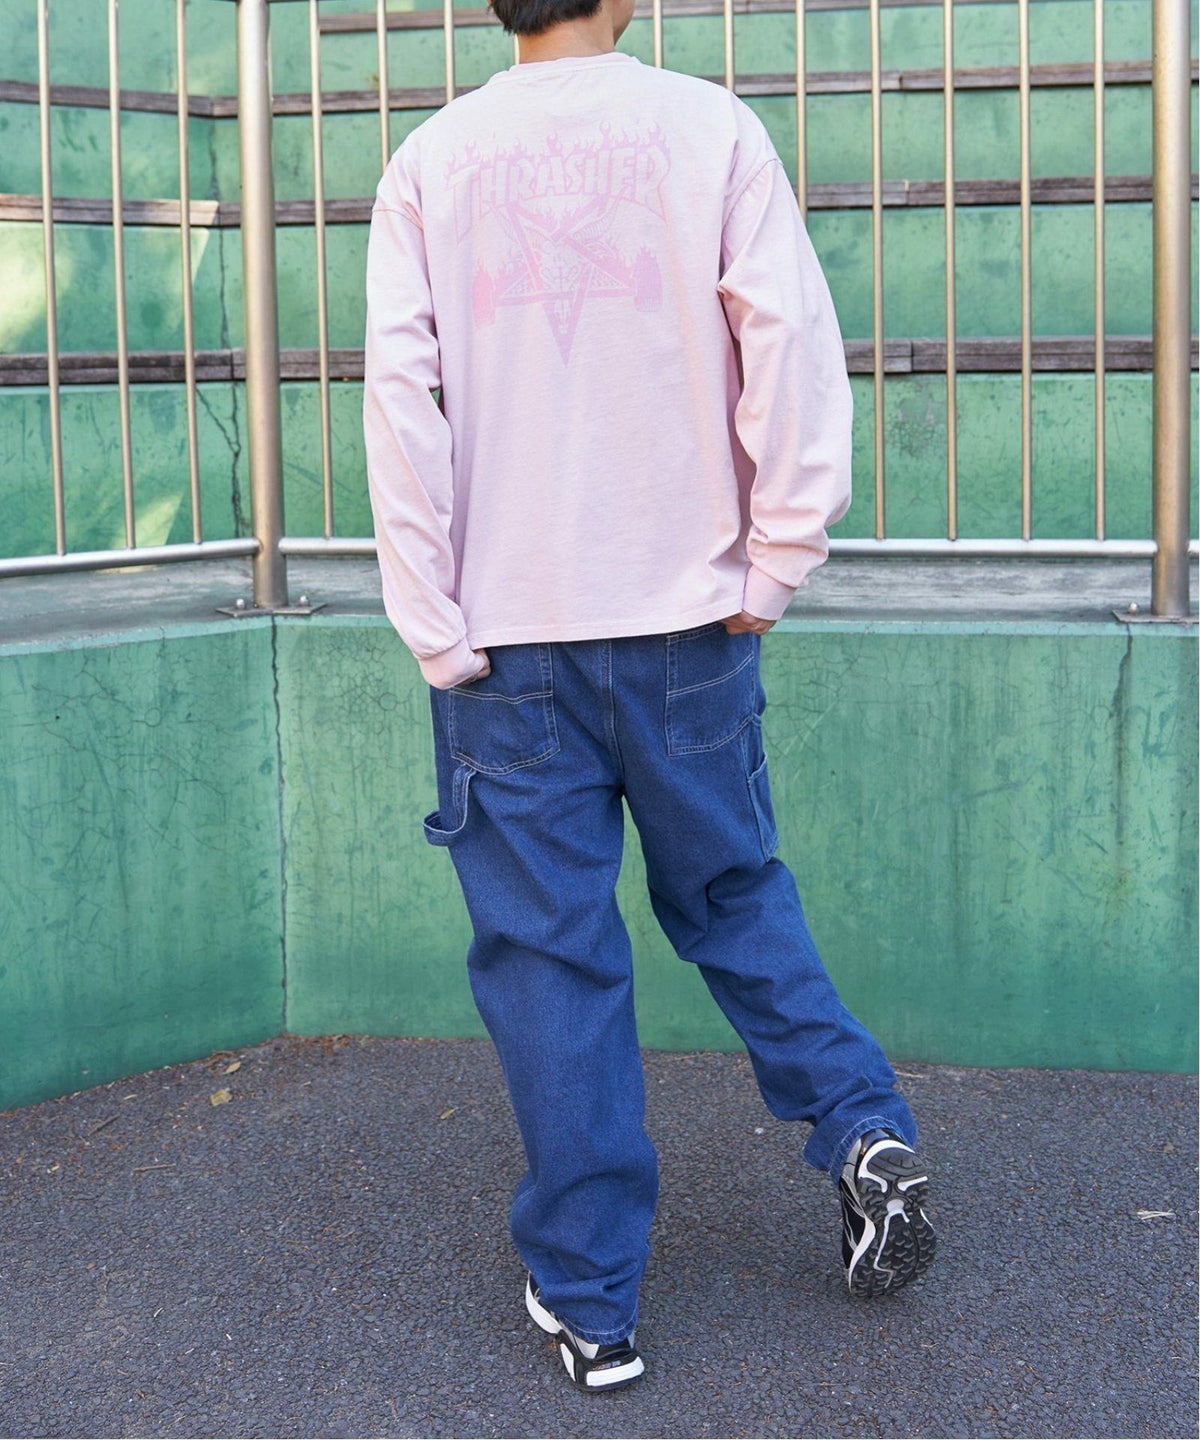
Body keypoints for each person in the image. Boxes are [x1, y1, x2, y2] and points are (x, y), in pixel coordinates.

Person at [362, 0, 935, 1393]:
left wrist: (433, 622)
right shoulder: (709, 129)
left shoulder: (432, 160)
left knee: (551, 960)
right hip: (690, 618)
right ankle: (861, 1127)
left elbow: (400, 397)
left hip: (506, 641)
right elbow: (788, 341)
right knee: (735, 897)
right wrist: (779, 556)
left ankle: (592, 1302)